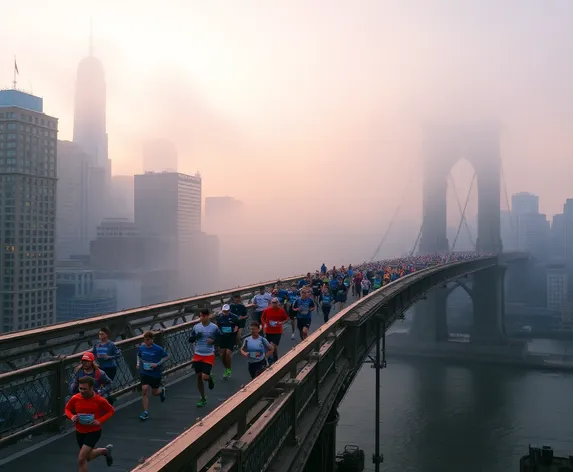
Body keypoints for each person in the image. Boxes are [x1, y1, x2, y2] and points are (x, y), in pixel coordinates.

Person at [64, 376, 114, 471]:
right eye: (80, 388)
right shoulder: (75, 398)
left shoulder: (99, 400)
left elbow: (110, 411)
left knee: (81, 458)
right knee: (88, 457)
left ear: (91, 388)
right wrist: (72, 416)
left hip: (93, 432)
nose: (82, 391)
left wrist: (100, 420)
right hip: (80, 431)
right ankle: (105, 451)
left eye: (84, 389)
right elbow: (67, 409)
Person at [188, 308, 221, 407]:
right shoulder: (196, 327)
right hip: (197, 354)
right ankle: (203, 398)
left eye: (202, 316)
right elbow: (190, 339)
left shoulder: (214, 327)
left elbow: (220, 337)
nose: (200, 318)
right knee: (198, 377)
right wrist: (196, 337)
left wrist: (213, 341)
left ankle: (210, 378)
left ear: (208, 316)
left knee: (204, 377)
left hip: (209, 354)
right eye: (200, 316)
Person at [137, 331, 168, 421]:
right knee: (145, 390)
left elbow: (166, 357)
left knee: (154, 392)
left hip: (155, 373)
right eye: (144, 340)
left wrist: (157, 364)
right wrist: (138, 363)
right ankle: (145, 412)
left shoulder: (158, 349)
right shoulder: (141, 348)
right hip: (145, 372)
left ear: (152, 339)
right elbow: (138, 355)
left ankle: (162, 391)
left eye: (147, 340)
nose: (145, 342)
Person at [261, 297, 289, 363]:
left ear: (278, 303)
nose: (274, 304)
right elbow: (262, 317)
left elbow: (287, 319)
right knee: (273, 347)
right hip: (268, 331)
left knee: (271, 346)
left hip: (277, 331)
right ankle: (275, 358)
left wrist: (281, 322)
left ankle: (265, 359)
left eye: (275, 303)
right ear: (271, 303)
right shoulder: (267, 310)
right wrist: (264, 324)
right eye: (273, 303)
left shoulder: (281, 311)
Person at [216, 304, 239, 378]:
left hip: (231, 337)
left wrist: (236, 328)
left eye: (226, 311)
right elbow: (218, 326)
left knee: (228, 354)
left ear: (229, 311)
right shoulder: (219, 317)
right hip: (222, 337)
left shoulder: (234, 317)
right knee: (222, 355)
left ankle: (229, 370)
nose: (225, 313)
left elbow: (238, 325)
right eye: (224, 311)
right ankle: (226, 368)